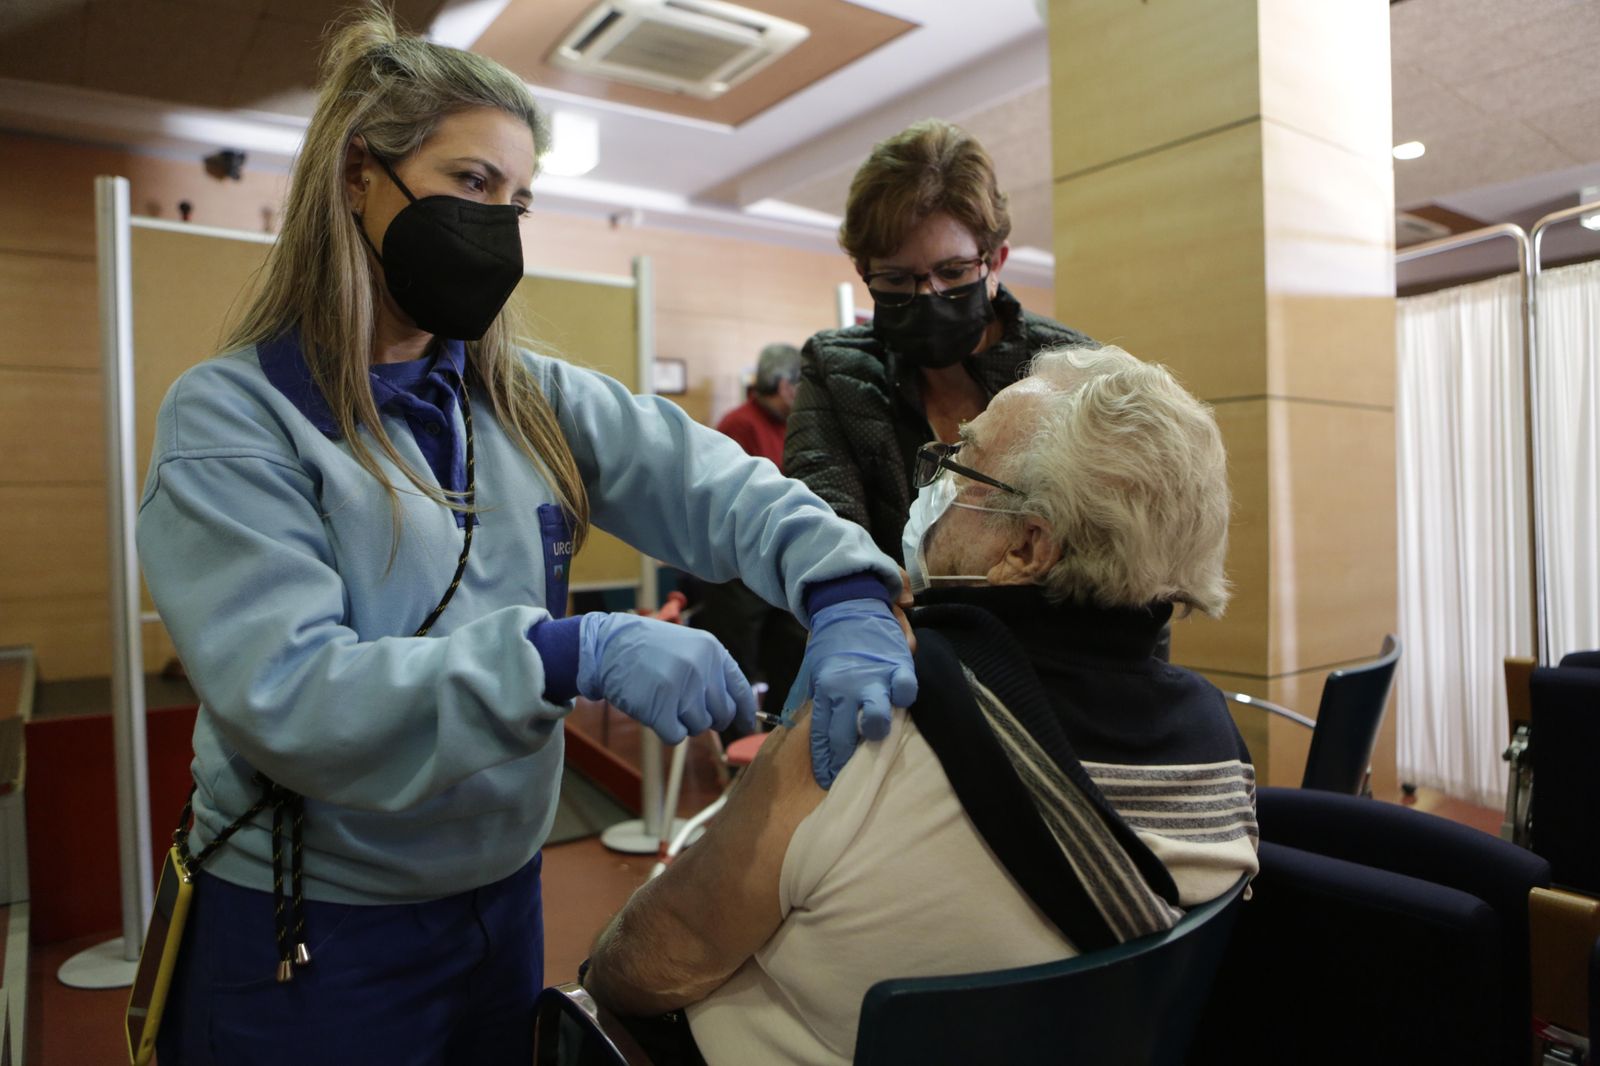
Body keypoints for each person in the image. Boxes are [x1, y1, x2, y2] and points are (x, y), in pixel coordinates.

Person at [133, 10, 913, 1065]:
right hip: (307, 928)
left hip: (500, 901)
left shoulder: (523, 398)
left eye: (518, 198)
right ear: (359, 173)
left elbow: (718, 484)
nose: (498, 221)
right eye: (471, 183)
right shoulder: (233, 418)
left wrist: (845, 589)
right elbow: (294, 698)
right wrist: (568, 653)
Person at [584, 345, 1259, 1066]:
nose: (932, 478)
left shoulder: (874, 708)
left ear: (1026, 548)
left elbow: (654, 963)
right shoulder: (1220, 753)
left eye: (960, 462)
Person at [785, 118, 1094, 565]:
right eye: (895, 277)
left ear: (996, 264)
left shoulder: (1076, 372)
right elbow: (824, 532)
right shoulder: (836, 371)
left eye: (952, 272)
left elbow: (1121, 555)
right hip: (887, 632)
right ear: (864, 275)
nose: (928, 296)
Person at [699, 343, 809, 733]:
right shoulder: (740, 424)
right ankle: (738, 757)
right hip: (736, 573)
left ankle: (776, 741)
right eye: (801, 385)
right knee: (738, 668)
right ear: (784, 385)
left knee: (793, 652)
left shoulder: (788, 426)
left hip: (773, 567)